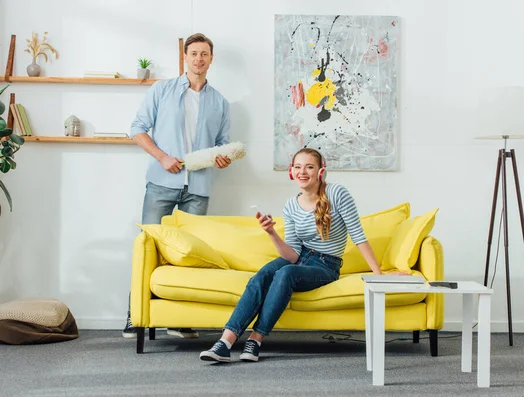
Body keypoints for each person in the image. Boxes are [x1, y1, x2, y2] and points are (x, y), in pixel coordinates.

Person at [200, 148, 408, 362]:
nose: (303, 172)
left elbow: (357, 234)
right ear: (291, 172)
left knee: (286, 274)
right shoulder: (291, 206)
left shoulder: (337, 193)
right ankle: (225, 343)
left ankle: (256, 339)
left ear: (320, 171)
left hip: (326, 264)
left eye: (309, 167)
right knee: (261, 276)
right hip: (299, 258)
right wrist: (271, 233)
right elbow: (292, 255)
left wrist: (379, 274)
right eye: (298, 167)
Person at [123, 33, 232, 339]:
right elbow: (137, 128)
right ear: (185, 57)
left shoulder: (220, 102)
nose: (199, 58)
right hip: (161, 182)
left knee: (189, 254)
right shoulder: (162, 90)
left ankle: (178, 318)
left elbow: (222, 145)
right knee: (148, 247)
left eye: (204, 54)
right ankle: (135, 315)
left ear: (211, 59)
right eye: (194, 53)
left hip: (198, 188)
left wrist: (222, 158)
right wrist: (161, 157)